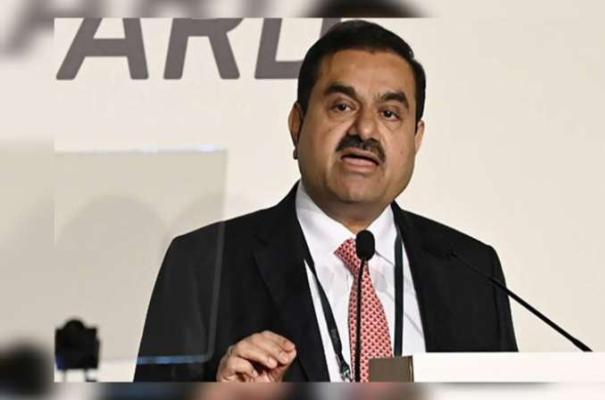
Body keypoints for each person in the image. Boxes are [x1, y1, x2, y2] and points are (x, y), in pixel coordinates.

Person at [134, 20, 517, 383]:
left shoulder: (472, 272)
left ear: (416, 138)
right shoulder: (203, 266)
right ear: (297, 124)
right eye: (342, 106)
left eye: (389, 113)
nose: (365, 129)